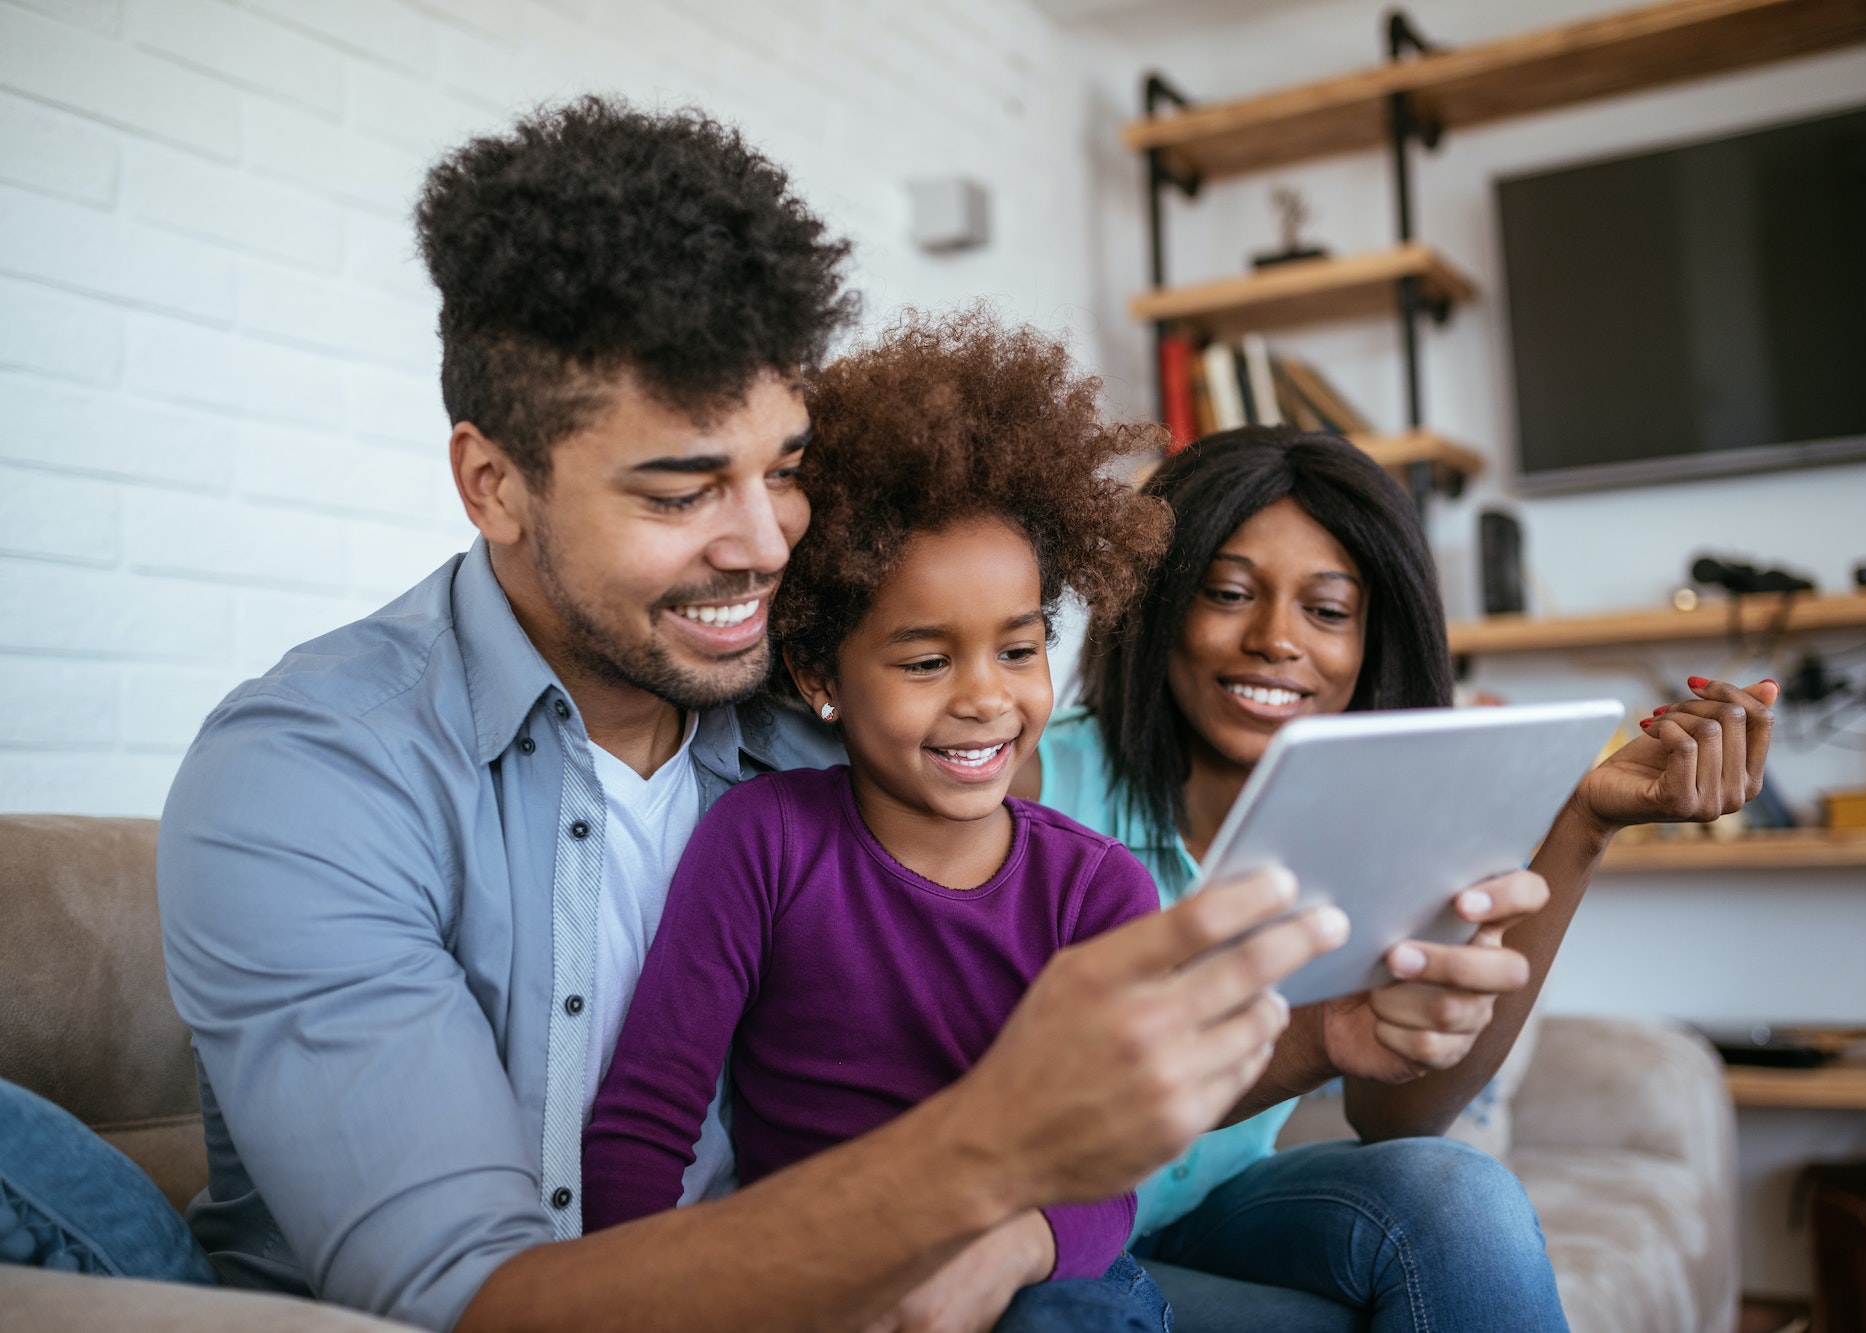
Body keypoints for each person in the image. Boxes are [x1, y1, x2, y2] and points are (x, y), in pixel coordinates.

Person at [68, 99, 1347, 1333]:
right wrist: (982, 1150)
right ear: (493, 484)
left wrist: (1327, 1021)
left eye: (783, 470)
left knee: (1419, 1227)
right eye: (681, 493)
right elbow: (472, 1303)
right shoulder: (312, 777)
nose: (763, 543)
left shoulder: (818, 740)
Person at [1015, 426, 1779, 1331]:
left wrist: (1585, 820)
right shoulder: (1031, 786)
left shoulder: (1378, 812)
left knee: (1461, 1198)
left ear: (1375, 637)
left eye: (1329, 610)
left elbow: (1399, 1111)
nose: (1275, 640)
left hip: (1207, 1214)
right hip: (1042, 1238)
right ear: (1157, 600)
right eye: (1226, 593)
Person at [583, 312, 1182, 1330]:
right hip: (817, 1277)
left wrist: (1003, 1253)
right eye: (923, 661)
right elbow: (643, 1125)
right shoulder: (761, 842)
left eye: (1019, 649)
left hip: (1038, 1277)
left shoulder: (1098, 888)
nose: (986, 698)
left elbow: (1105, 1179)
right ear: (819, 674)